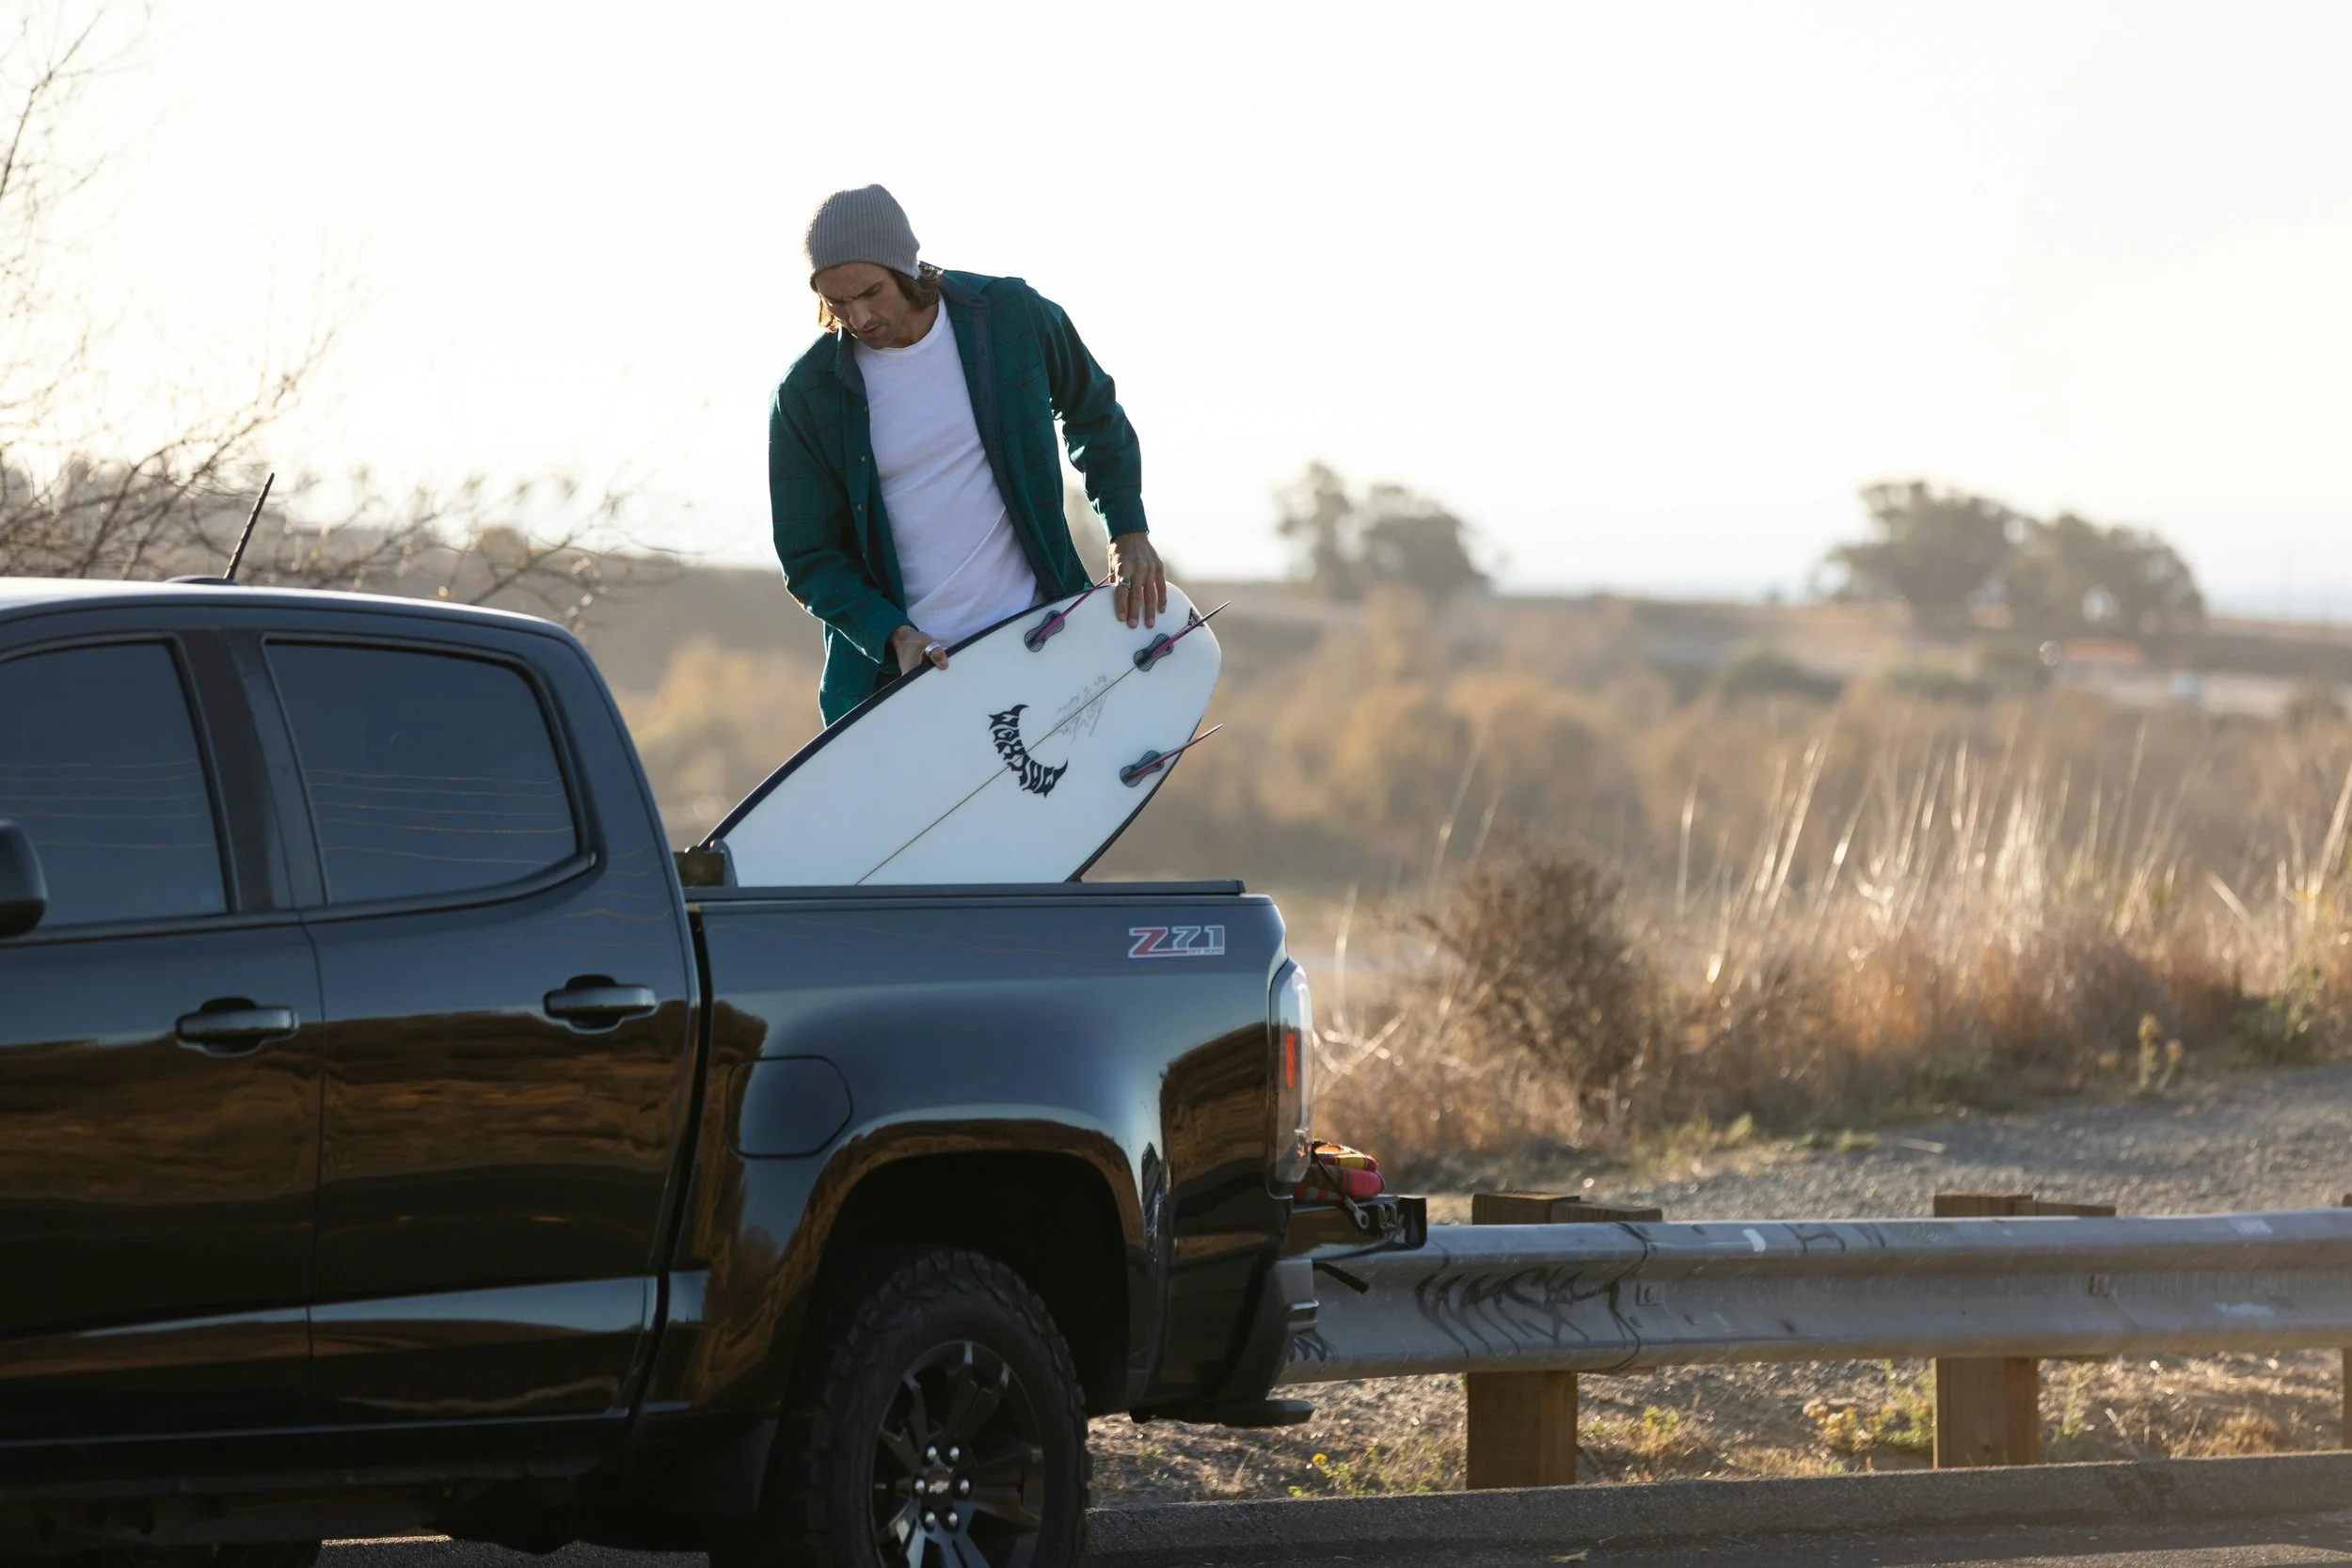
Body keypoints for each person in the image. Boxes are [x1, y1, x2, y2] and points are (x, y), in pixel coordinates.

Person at [768, 183, 1167, 725]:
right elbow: (810, 557)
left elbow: (1093, 411)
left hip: (1043, 640)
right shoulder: (806, 394)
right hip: (906, 683)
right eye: (837, 302)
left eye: (870, 292)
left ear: (905, 268)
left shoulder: (1010, 317)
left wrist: (1128, 531)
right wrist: (896, 638)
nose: (858, 316)